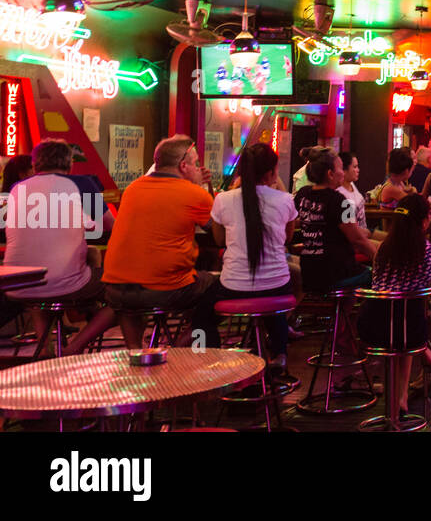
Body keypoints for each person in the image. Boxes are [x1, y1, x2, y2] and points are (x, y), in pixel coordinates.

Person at [103, 135, 221, 349]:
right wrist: (199, 187)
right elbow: (218, 233)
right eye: (195, 164)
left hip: (115, 290)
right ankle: (175, 347)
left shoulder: (133, 188)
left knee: (134, 295)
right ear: (183, 166)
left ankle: (136, 353)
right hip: (164, 290)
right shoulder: (194, 193)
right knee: (219, 289)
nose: (198, 168)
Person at [5, 141, 116, 355]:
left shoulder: (17, 188)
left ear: (35, 164)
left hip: (17, 284)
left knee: (41, 279)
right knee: (125, 295)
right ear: (70, 163)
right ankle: (73, 347)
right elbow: (111, 224)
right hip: (63, 284)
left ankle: (46, 350)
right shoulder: (82, 184)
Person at [356, 193, 431, 414]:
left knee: (400, 319)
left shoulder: (382, 250)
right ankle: (406, 389)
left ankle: (401, 399)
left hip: (371, 326)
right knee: (407, 321)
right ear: (424, 221)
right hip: (410, 330)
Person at [207, 143, 298, 370]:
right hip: (278, 286)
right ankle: (279, 353)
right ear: (271, 173)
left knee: (202, 315)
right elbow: (287, 238)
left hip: (233, 286)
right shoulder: (285, 200)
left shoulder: (223, 200)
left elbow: (219, 241)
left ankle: (209, 357)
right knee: (275, 290)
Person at [295, 148, 376, 293]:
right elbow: (357, 240)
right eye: (340, 168)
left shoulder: (303, 194)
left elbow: (295, 220)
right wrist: (380, 263)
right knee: (373, 276)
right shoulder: (340, 201)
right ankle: (347, 314)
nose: (343, 172)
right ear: (330, 174)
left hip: (309, 272)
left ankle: (341, 314)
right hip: (336, 272)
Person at [336, 151, 368, 236]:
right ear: (344, 170)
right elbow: (350, 232)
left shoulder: (351, 184)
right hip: (356, 238)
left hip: (364, 232)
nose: (358, 170)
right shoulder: (341, 195)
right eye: (355, 167)